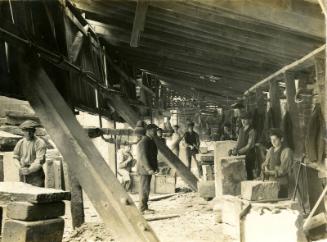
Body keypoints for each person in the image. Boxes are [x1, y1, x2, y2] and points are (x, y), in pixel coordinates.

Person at [13, 120, 47, 187]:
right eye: (26, 131)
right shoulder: (20, 142)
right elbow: (15, 157)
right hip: (23, 171)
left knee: (37, 192)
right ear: (23, 131)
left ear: (34, 131)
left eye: (30, 131)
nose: (28, 133)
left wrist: (30, 170)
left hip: (35, 173)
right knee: (24, 192)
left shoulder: (40, 143)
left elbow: (39, 161)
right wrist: (20, 167)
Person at [261, 128, 293, 198]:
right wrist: (264, 166)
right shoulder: (270, 150)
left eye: (275, 139)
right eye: (271, 139)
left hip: (281, 184)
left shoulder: (287, 151)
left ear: (281, 139)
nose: (273, 142)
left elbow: (282, 170)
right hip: (271, 183)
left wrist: (269, 172)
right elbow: (265, 163)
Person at [136, 124, 158, 214]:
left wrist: (155, 167)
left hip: (147, 170)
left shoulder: (150, 140)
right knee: (144, 189)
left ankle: (145, 207)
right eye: (154, 130)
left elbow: (153, 156)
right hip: (144, 170)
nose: (155, 132)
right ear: (148, 131)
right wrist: (149, 169)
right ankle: (142, 209)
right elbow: (143, 157)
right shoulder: (144, 142)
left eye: (156, 130)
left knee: (146, 188)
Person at [231, 113, 256, 180]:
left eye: (245, 119)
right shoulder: (241, 129)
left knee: (248, 173)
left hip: (249, 155)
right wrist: (234, 149)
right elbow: (238, 141)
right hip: (241, 154)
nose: (243, 121)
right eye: (242, 119)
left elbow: (249, 145)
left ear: (249, 120)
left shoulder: (252, 131)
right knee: (240, 173)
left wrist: (239, 151)